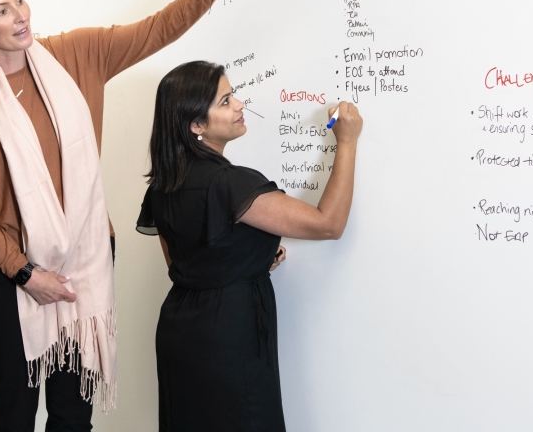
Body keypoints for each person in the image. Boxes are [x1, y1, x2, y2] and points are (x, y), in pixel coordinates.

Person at [0, 0, 274, 431]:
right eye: (0, 11)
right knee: (13, 410)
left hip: (85, 260)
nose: (20, 16)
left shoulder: (76, 55)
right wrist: (24, 272)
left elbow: (154, 31)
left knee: (75, 414)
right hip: (6, 275)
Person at [136, 61, 363, 432]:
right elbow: (328, 223)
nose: (240, 104)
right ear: (196, 125)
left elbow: (183, 260)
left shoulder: (161, 186)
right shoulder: (230, 184)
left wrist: (247, 255)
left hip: (181, 332)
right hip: (229, 334)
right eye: (225, 101)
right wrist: (348, 141)